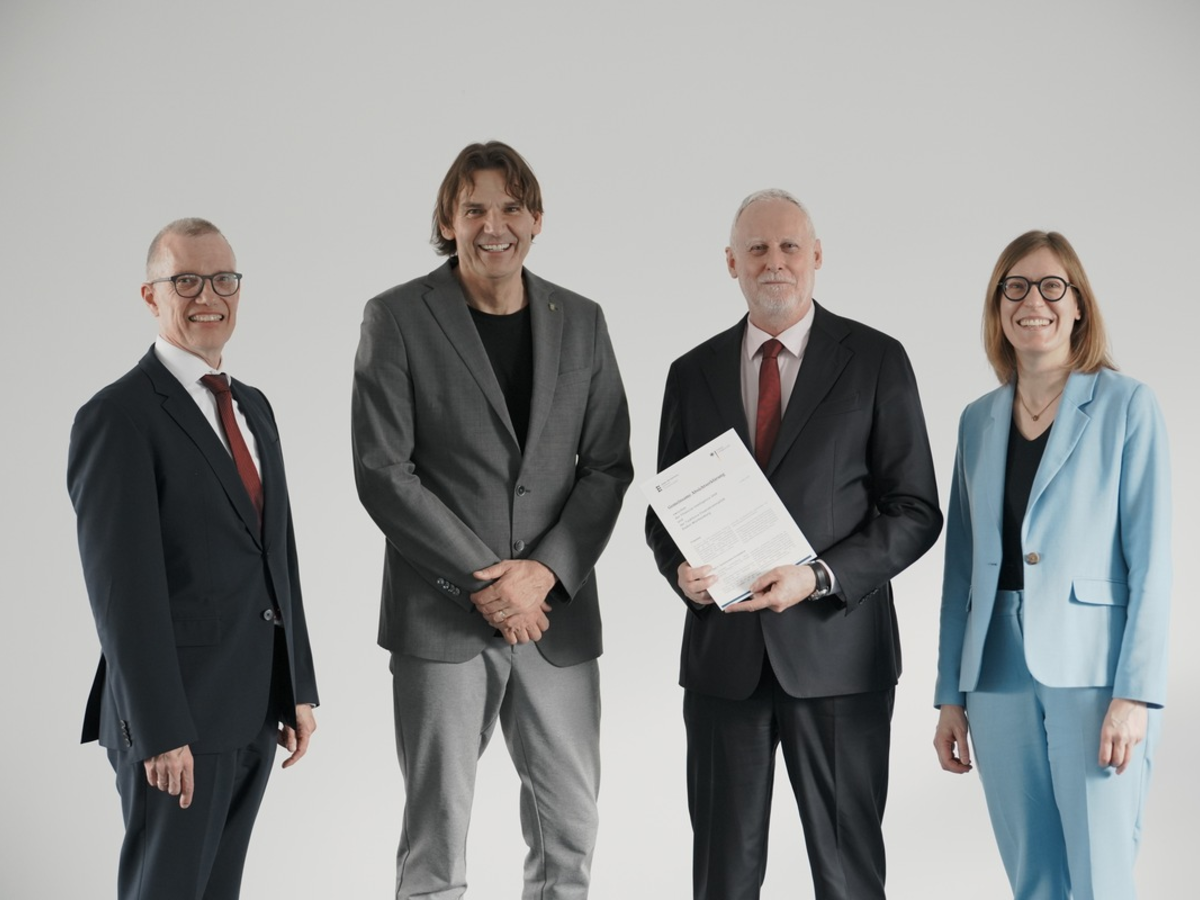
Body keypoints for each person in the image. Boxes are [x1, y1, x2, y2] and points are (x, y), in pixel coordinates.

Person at [352, 141, 632, 900]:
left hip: (555, 617)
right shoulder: (396, 317)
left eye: (511, 207)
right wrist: (489, 582)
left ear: (536, 219)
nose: (494, 225)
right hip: (441, 616)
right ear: (448, 221)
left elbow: (607, 466)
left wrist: (541, 575)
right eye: (474, 208)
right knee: (436, 838)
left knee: (569, 832)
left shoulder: (582, 320)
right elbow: (383, 472)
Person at [645, 189, 942, 900]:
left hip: (839, 658)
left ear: (816, 256)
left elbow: (915, 510)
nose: (772, 262)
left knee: (848, 878)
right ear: (731, 263)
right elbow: (665, 513)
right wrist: (679, 569)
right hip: (724, 661)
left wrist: (819, 576)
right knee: (722, 878)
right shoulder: (692, 372)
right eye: (756, 249)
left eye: (788, 247)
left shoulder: (875, 359)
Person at [68, 218, 320, 899]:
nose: (208, 296)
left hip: (251, 707)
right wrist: (159, 730)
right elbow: (121, 593)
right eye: (185, 281)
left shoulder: (253, 408)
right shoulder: (118, 416)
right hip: (174, 721)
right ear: (150, 296)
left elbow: (278, 553)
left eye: (223, 279)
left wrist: (296, 684)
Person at [933, 231, 1171, 899]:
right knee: (1033, 879)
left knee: (1100, 876)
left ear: (1078, 305)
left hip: (1094, 673)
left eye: (1050, 286)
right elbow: (960, 573)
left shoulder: (1127, 405)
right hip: (994, 672)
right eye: (1014, 287)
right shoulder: (977, 421)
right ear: (997, 306)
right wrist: (950, 694)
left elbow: (1152, 564)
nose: (1031, 301)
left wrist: (1135, 694)